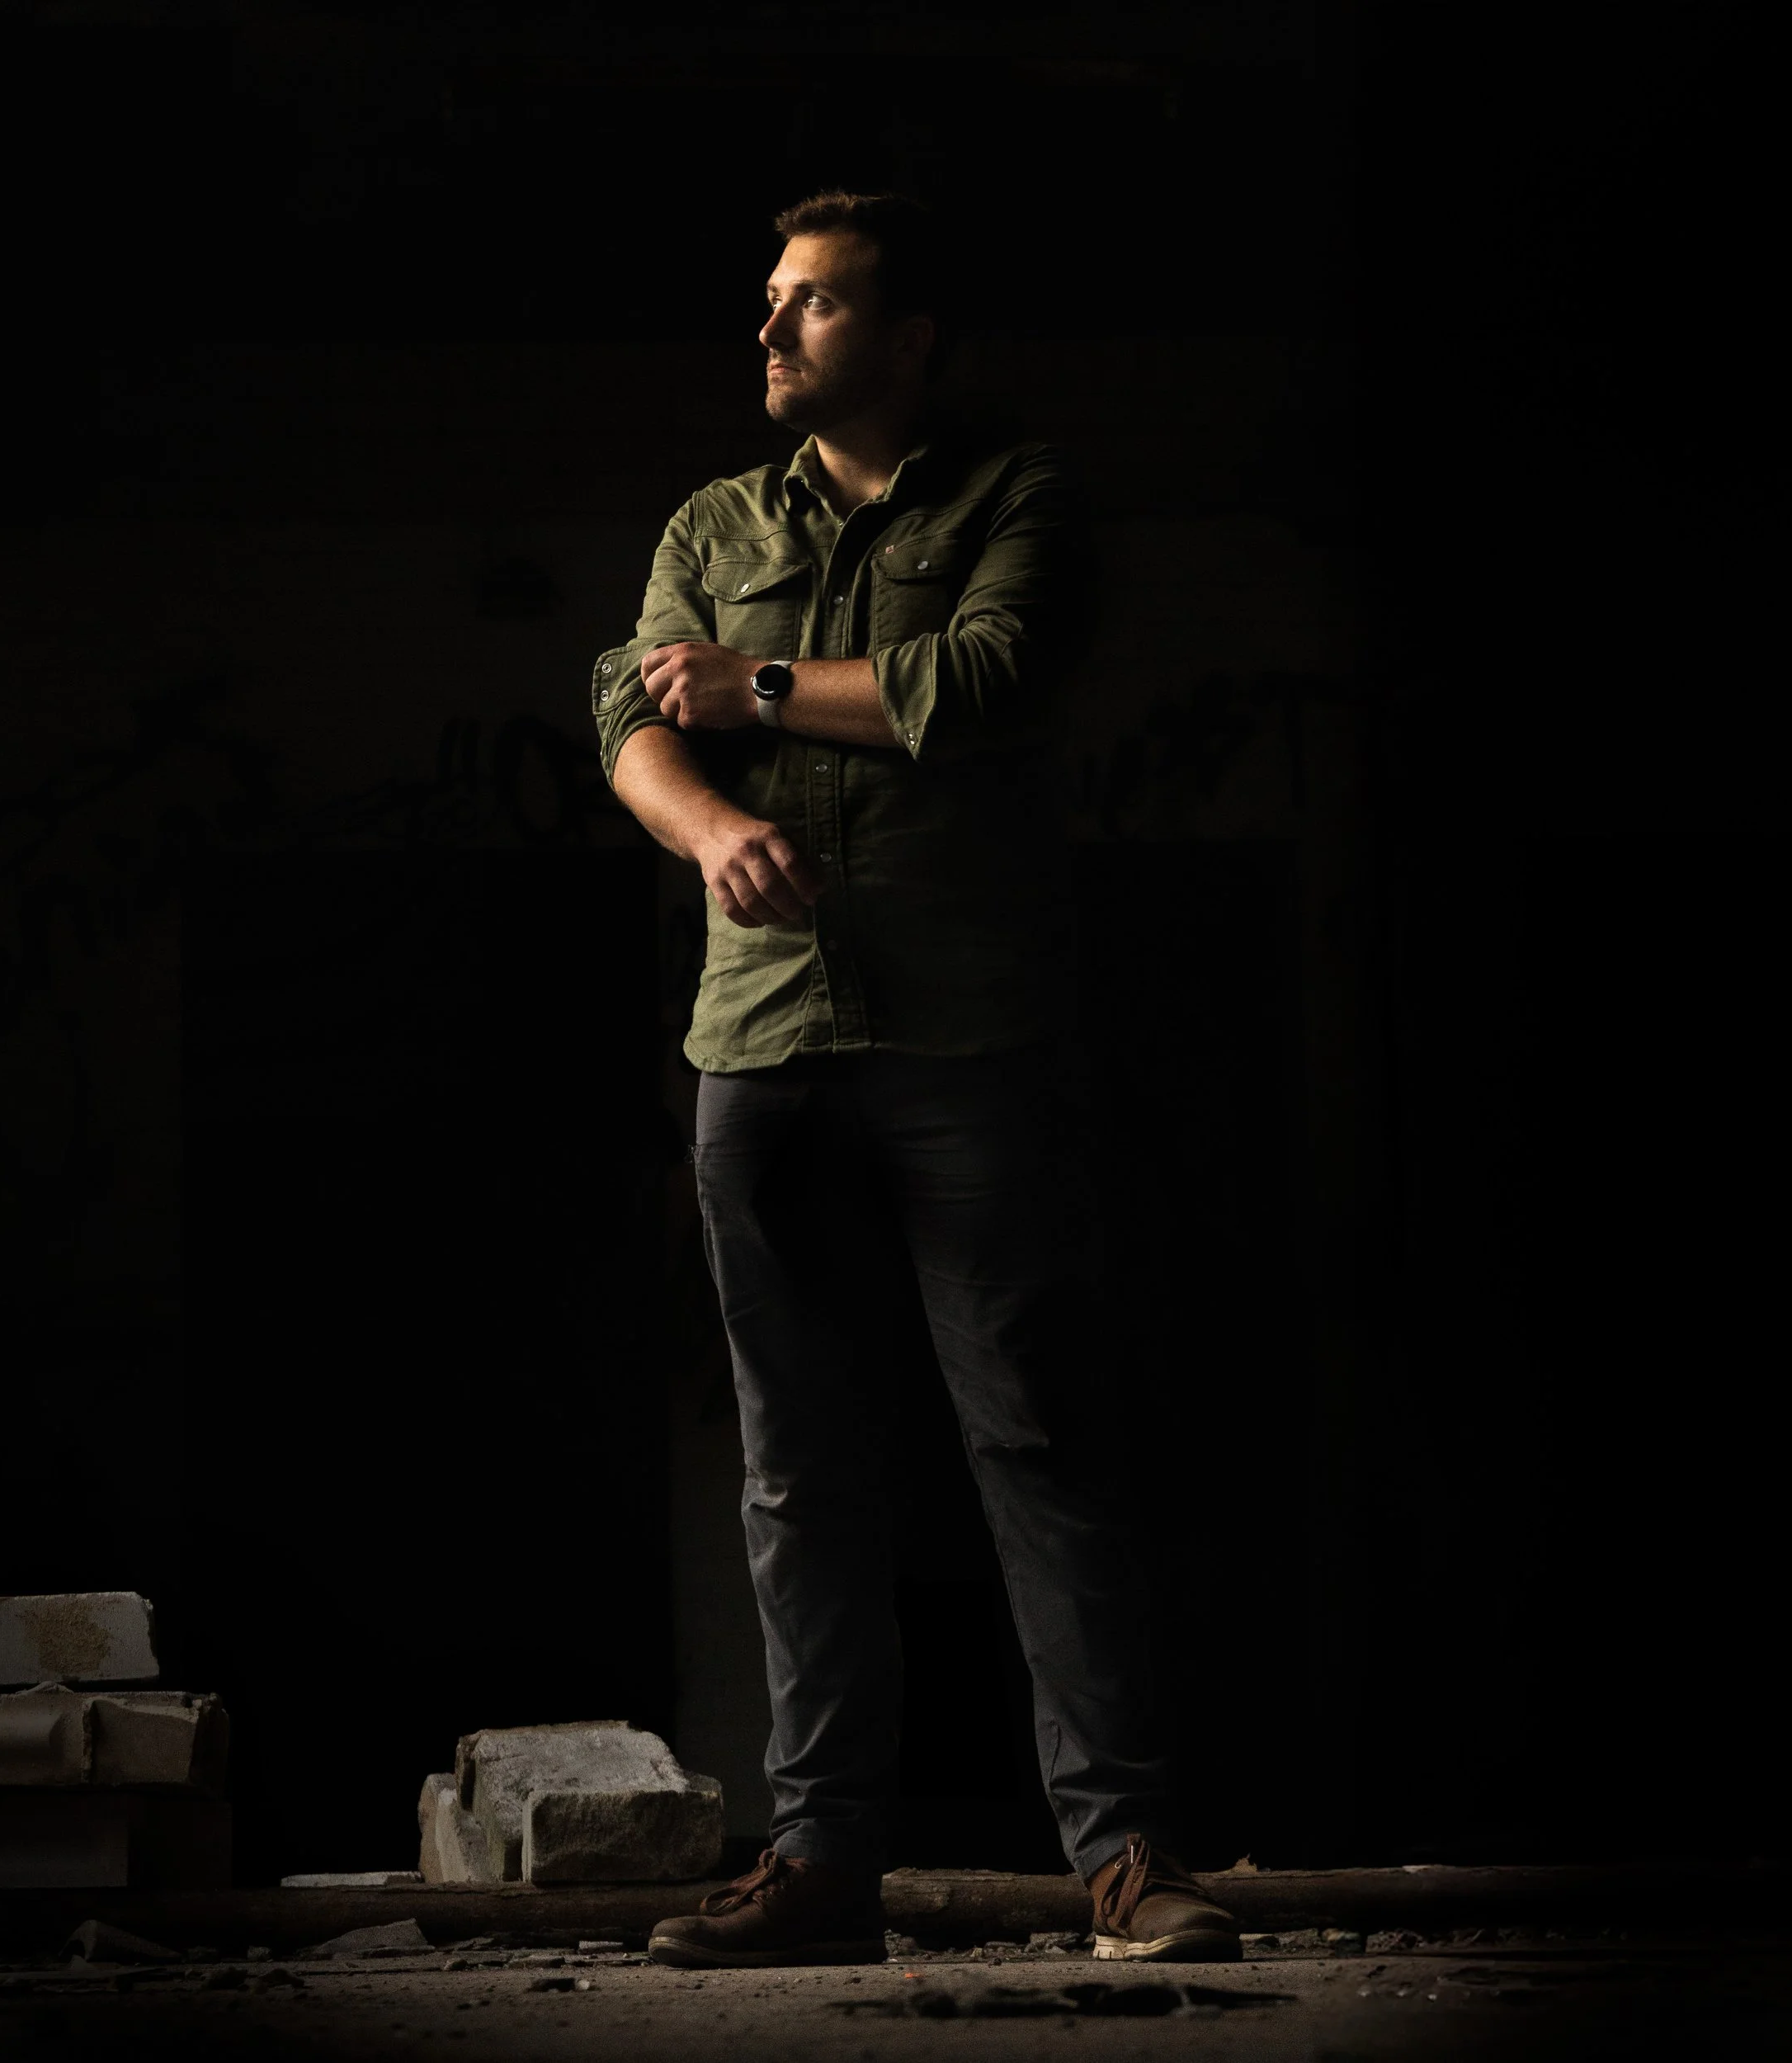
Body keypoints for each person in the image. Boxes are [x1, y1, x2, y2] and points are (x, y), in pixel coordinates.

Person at [590, 191, 1237, 1970]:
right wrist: (712, 819)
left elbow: (988, 679)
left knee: (1032, 1435)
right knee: (795, 1467)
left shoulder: (1016, 493)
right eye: (768, 304)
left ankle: (1124, 1856)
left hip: (965, 1040)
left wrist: (761, 682)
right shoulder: (712, 521)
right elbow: (624, 714)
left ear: (909, 333)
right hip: (761, 1044)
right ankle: (819, 1865)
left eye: (809, 306)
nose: (770, 333)